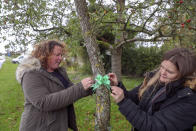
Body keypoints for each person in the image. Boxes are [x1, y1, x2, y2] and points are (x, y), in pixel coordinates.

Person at [109, 48, 196, 131]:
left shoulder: (189, 100)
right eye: (162, 67)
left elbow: (153, 126)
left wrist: (123, 102)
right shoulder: (155, 79)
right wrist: (118, 86)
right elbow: (135, 98)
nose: (162, 73)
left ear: (183, 74)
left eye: (169, 72)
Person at [16, 40, 93, 131]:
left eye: (61, 55)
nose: (60, 58)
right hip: (38, 126)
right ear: (45, 55)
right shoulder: (31, 74)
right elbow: (43, 102)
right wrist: (80, 87)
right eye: (57, 55)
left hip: (57, 124)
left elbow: (73, 91)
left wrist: (100, 84)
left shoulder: (59, 72)